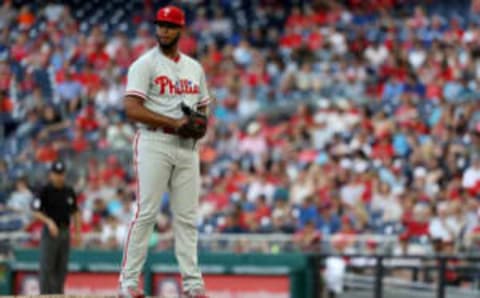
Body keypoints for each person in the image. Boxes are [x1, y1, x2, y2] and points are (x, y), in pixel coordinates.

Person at [118, 5, 211, 298]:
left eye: (170, 26)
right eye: (160, 25)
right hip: (155, 142)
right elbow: (132, 108)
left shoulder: (194, 68)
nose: (164, 30)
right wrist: (174, 122)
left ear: (181, 29)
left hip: (187, 147)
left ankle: (193, 285)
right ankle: (128, 283)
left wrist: (199, 124)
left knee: (186, 218)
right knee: (146, 213)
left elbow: (204, 108)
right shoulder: (144, 64)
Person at [32, 160, 81, 294]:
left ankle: (58, 294)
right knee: (47, 267)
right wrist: (48, 222)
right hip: (50, 232)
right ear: (51, 174)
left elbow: (76, 212)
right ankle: (45, 295)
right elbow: (35, 211)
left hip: (65, 231)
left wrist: (77, 233)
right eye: (56, 173)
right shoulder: (45, 190)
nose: (59, 176)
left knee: (62, 267)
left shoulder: (69, 191)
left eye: (61, 174)